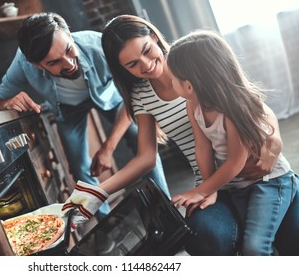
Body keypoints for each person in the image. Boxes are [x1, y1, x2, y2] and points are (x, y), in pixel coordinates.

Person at [62, 14, 299, 255]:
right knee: (206, 237)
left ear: (154, 36)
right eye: (132, 64)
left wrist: (274, 141)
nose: (145, 65)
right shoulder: (141, 95)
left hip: (257, 175)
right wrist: (96, 192)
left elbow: (244, 96)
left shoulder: (190, 57)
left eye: (146, 50)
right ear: (121, 69)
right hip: (211, 180)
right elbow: (146, 157)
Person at [0, 12, 170, 218]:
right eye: (54, 62)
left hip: (108, 96)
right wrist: (6, 102)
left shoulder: (99, 46)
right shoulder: (23, 64)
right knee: (80, 167)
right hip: (68, 109)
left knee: (139, 137)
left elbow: (135, 95)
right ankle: (106, 226)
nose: (69, 64)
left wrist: (108, 147)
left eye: (68, 50)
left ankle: (166, 212)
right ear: (37, 65)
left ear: (70, 35)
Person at [168, 30, 297, 255]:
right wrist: (209, 189)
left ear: (188, 86)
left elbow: (236, 163)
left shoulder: (233, 111)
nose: (171, 83)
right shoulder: (193, 105)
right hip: (237, 185)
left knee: (255, 248)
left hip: (269, 183)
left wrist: (200, 191)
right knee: (255, 243)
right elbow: (203, 147)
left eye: (173, 79)